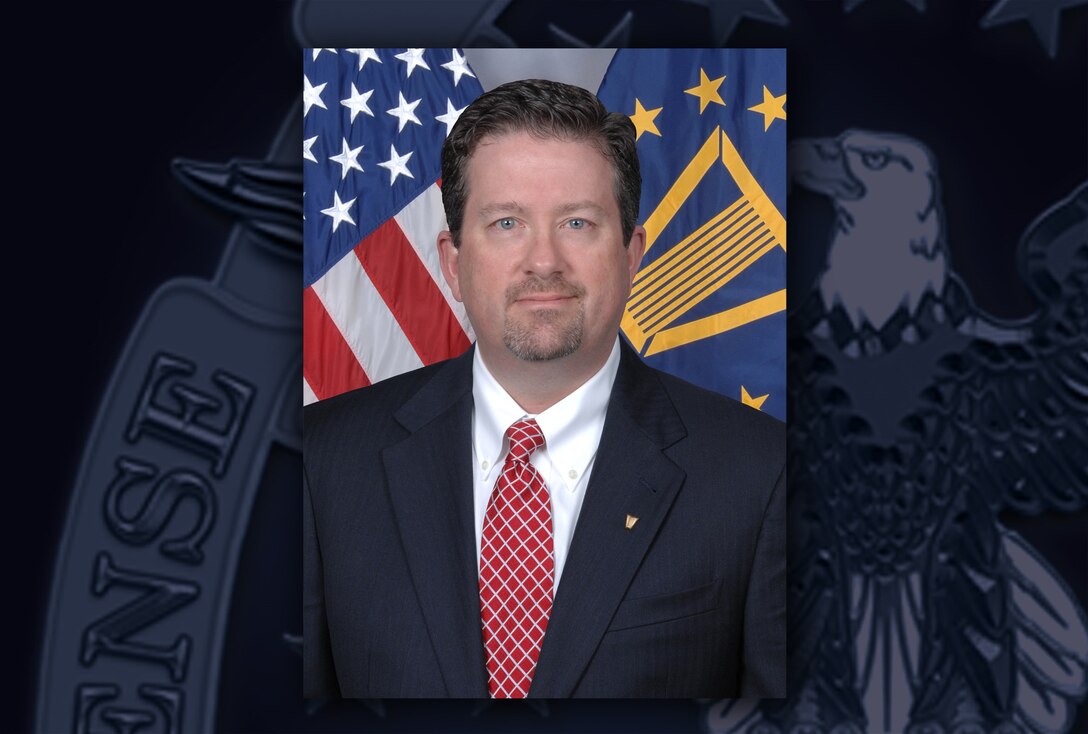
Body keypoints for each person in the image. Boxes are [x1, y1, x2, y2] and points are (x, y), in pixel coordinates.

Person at [303, 78, 785, 699]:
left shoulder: (763, 472)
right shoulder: (321, 462)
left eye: (578, 222)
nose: (544, 261)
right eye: (506, 223)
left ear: (632, 253)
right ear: (452, 262)